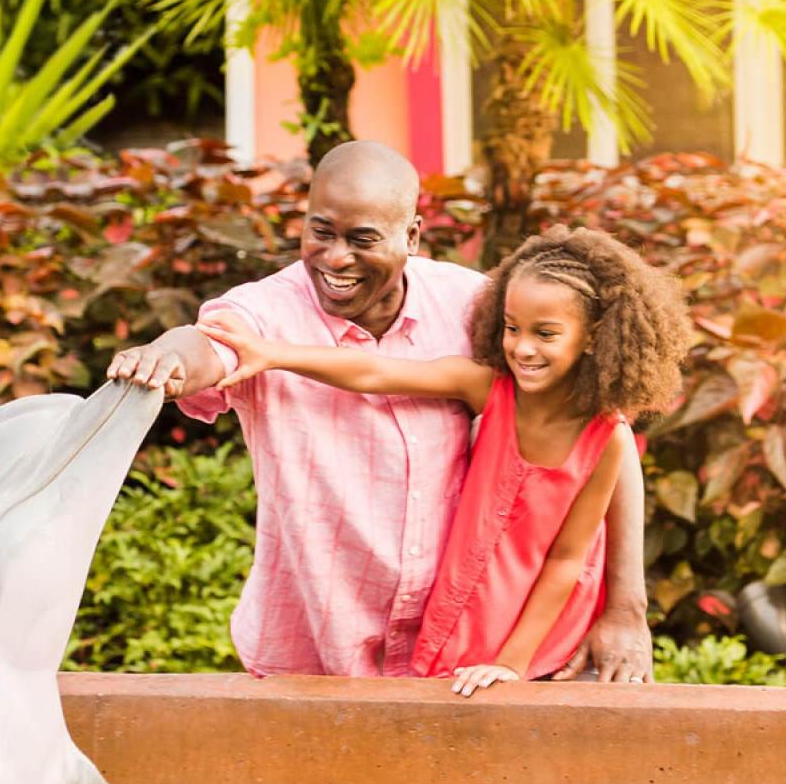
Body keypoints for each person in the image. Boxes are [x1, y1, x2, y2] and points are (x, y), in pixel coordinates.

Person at [107, 140, 654, 682]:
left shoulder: (478, 307)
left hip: (464, 652)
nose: (337, 257)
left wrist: (625, 608)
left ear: (412, 235)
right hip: (318, 659)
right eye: (321, 232)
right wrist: (163, 360)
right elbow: (209, 343)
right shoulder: (266, 312)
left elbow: (599, 432)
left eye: (363, 239)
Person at [199, 225, 689, 695]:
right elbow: (374, 371)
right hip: (471, 603)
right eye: (512, 328)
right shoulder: (486, 388)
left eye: (546, 334)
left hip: (543, 627)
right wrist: (271, 353)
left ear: (592, 337)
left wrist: (510, 666)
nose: (522, 347)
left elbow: (566, 561)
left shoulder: (606, 440)